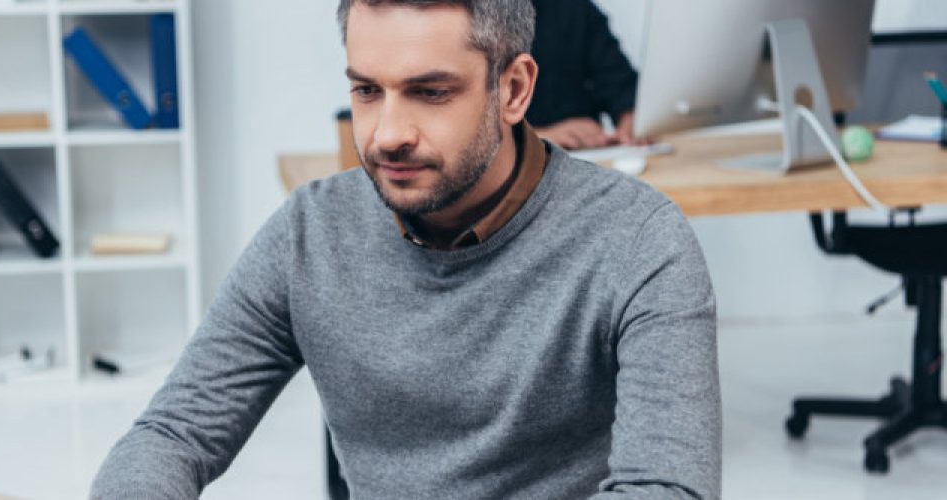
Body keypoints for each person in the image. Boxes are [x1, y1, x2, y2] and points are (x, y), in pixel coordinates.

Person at [90, 1, 720, 498]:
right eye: (367, 91)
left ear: (514, 90)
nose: (388, 134)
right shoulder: (308, 234)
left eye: (431, 92)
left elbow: (666, 489)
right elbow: (173, 436)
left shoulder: (639, 241)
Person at [525, 0, 643, 150]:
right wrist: (534, 138)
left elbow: (621, 85)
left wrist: (632, 124)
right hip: (516, 165)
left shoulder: (574, 8)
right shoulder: (487, 21)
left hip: (588, 157)